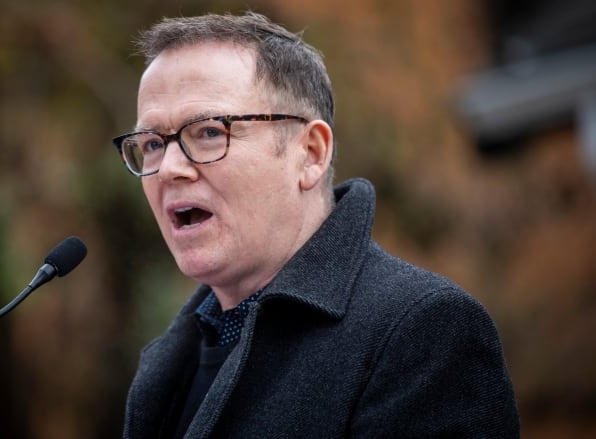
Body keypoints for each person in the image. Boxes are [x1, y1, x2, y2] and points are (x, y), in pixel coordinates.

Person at [113, 12, 520, 438]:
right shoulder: (166, 363)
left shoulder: (424, 332)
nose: (169, 169)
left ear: (310, 153)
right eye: (154, 144)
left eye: (210, 132)